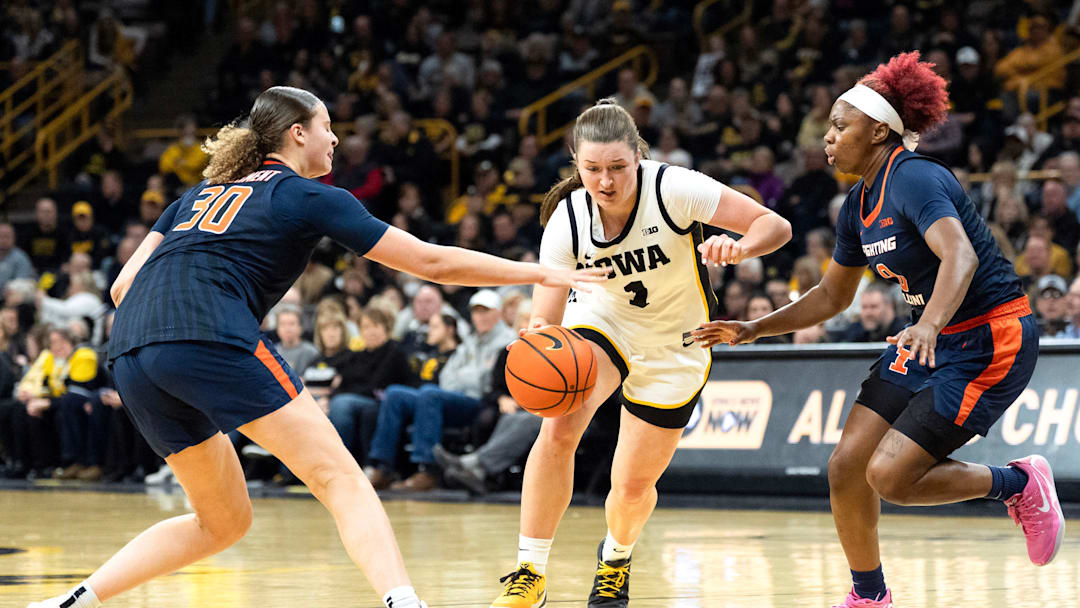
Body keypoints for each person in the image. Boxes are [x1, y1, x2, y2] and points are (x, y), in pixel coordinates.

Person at [26, 86, 603, 608]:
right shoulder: (304, 195)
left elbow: (122, 285)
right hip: (209, 331)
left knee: (221, 521)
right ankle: (405, 604)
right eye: (328, 126)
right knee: (342, 480)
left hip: (130, 350)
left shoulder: (195, 196)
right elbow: (429, 260)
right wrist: (543, 273)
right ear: (297, 133)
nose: (336, 138)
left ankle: (70, 603)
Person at [692, 52, 1064, 608]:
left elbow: (958, 258)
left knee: (889, 477)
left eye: (840, 127)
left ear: (880, 131)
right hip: (929, 338)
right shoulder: (856, 203)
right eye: (828, 128)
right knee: (845, 468)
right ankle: (871, 596)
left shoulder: (914, 175)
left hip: (991, 336)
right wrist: (752, 328)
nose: (828, 138)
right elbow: (832, 296)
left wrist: (930, 324)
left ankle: (1019, 483)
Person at [489, 98, 791, 608]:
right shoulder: (567, 220)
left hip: (678, 341)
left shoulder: (674, 188)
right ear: (576, 165)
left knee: (630, 488)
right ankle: (530, 572)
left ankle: (615, 559)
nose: (605, 181)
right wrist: (537, 337)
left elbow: (775, 227)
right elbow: (547, 316)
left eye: (616, 168)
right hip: (603, 322)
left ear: (638, 158)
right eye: (592, 170)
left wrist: (739, 248)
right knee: (559, 423)